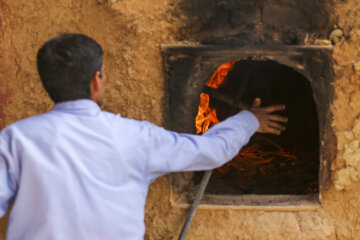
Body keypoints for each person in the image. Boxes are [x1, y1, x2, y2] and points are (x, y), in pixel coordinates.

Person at [0, 34, 287, 240]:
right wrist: (250, 120)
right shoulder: (136, 137)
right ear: (96, 81)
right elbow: (212, 150)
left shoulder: (16, 139)